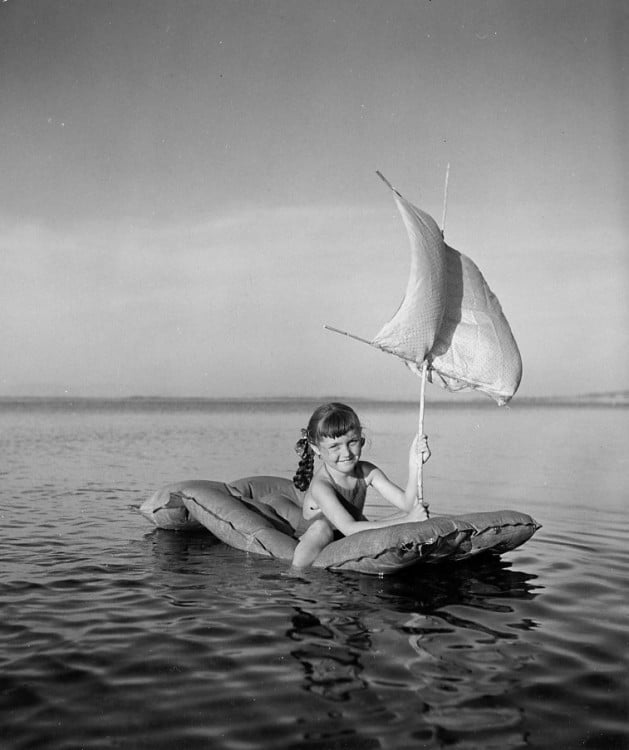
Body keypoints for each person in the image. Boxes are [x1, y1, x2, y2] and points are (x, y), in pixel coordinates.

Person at [291, 402, 430, 568]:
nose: (346, 453)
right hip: (315, 538)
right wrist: (409, 520)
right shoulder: (321, 486)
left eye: (352, 442)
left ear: (361, 440)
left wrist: (414, 464)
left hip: (346, 533)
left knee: (416, 511)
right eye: (335, 446)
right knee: (321, 528)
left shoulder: (367, 471)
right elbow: (349, 528)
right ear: (316, 448)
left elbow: (407, 504)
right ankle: (295, 572)